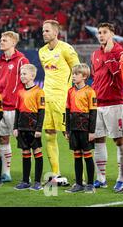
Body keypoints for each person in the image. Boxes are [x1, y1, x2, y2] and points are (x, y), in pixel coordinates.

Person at [39, 20, 80, 185]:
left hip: (63, 99)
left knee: (69, 136)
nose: (44, 33)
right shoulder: (42, 51)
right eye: (43, 30)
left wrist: (73, 95)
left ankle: (81, 177)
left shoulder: (66, 49)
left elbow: (79, 71)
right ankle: (56, 175)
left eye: (47, 31)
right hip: (47, 98)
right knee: (49, 134)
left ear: (56, 33)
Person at [91, 22, 123, 192]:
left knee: (119, 140)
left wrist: (110, 55)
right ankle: (101, 178)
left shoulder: (120, 53)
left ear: (112, 34)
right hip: (98, 104)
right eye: (99, 32)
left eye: (104, 32)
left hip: (115, 103)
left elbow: (119, 76)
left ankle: (121, 178)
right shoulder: (95, 54)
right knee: (99, 139)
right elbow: (96, 77)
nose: (101, 35)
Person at [0, 31, 29, 182]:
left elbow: (28, 83)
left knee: (23, 142)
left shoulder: (22, 60)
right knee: (3, 139)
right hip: (1, 108)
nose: (1, 42)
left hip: (16, 108)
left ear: (13, 42)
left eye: (5, 40)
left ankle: (26, 175)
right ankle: (6, 172)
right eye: (1, 39)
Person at [64, 64, 97, 193]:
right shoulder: (70, 91)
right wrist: (67, 130)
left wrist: (92, 131)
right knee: (77, 156)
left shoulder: (90, 91)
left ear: (84, 76)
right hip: (73, 128)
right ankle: (78, 184)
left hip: (85, 129)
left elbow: (93, 113)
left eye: (76, 74)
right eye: (73, 74)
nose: (73, 76)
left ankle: (90, 184)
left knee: (87, 156)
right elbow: (67, 111)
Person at [13, 64, 45, 191]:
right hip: (22, 127)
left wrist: (38, 129)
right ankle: (25, 181)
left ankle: (37, 182)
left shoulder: (39, 91)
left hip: (33, 128)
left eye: (25, 74)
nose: (22, 76)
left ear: (33, 76)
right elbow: (17, 111)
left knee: (37, 152)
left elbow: (41, 112)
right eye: (21, 74)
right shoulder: (20, 92)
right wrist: (15, 127)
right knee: (25, 153)